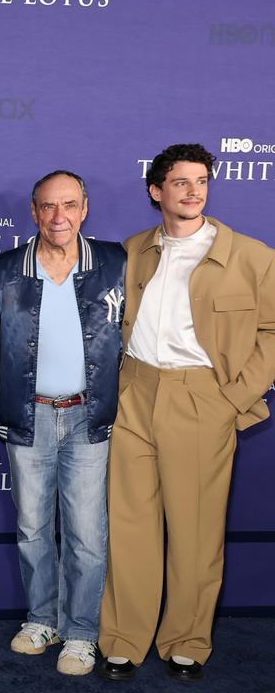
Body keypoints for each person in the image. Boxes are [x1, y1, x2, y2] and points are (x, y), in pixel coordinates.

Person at [98, 144, 275, 683]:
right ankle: (124, 639)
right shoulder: (132, 250)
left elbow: (270, 333)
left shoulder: (251, 255)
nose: (194, 190)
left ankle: (187, 641)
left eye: (201, 181)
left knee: (196, 530)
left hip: (202, 399)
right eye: (180, 182)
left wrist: (232, 398)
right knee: (129, 526)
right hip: (134, 391)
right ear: (156, 191)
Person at [0, 171, 126, 677]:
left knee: (88, 533)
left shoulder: (115, 262)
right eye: (48, 206)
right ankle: (42, 619)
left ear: (84, 208)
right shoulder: (5, 269)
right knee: (31, 527)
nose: (59, 216)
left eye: (69, 205)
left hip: (90, 416)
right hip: (30, 417)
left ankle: (82, 632)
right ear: (33, 211)